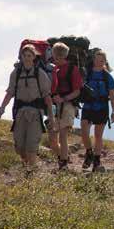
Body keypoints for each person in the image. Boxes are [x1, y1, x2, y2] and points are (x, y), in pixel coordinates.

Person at [0, 44, 53, 174]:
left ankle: (30, 175)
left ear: (34, 57)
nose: (27, 58)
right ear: (21, 57)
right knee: (19, 147)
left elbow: (47, 97)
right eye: (24, 55)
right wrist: (2, 107)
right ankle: (27, 167)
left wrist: (51, 117)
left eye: (29, 55)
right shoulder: (15, 74)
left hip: (36, 113)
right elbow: (10, 92)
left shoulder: (40, 74)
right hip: (20, 113)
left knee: (31, 146)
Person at [80, 50, 114, 172]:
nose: (99, 62)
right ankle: (89, 152)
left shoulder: (107, 76)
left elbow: (112, 95)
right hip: (88, 106)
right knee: (84, 131)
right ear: (94, 60)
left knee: (98, 135)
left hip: (102, 107)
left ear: (105, 62)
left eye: (101, 60)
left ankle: (96, 160)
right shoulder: (88, 74)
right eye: (97, 59)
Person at [50, 42, 83, 171]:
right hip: (54, 105)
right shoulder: (51, 69)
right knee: (52, 139)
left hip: (68, 104)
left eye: (60, 55)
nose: (58, 57)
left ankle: (63, 163)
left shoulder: (72, 69)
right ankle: (62, 157)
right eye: (56, 55)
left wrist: (63, 99)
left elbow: (77, 91)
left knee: (63, 134)